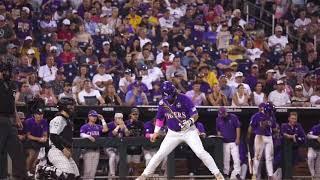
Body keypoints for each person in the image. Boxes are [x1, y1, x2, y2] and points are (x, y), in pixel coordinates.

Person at [136, 81, 224, 180]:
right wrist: (156, 132)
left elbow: (195, 114)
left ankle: (218, 174)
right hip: (172, 133)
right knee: (160, 154)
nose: (170, 98)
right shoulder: (162, 103)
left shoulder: (184, 98)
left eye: (172, 96)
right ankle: (144, 175)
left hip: (189, 131)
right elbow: (160, 118)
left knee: (200, 152)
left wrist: (190, 121)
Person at [36, 97, 80, 179]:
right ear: (64, 107)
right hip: (56, 150)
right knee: (67, 175)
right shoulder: (58, 119)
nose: (73, 108)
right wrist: (64, 149)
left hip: (64, 151)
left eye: (73, 106)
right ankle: (44, 169)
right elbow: (53, 136)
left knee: (76, 177)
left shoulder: (67, 120)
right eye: (70, 106)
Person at [0, 63, 28, 179]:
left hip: (9, 119)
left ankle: (20, 176)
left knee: (17, 148)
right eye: (3, 71)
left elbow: (12, 103)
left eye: (7, 71)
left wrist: (17, 118)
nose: (6, 73)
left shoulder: (11, 84)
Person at [247, 102, 277, 180]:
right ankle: (254, 175)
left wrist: (276, 131)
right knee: (257, 157)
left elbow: (274, 127)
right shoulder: (257, 116)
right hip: (260, 137)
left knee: (269, 157)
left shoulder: (272, 115)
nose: (271, 112)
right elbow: (251, 127)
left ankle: (270, 175)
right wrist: (248, 137)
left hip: (269, 137)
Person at [80, 110, 108, 180]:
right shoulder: (85, 126)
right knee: (87, 171)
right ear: (89, 116)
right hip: (88, 150)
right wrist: (88, 136)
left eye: (95, 116)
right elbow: (81, 134)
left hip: (96, 150)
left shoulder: (97, 126)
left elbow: (106, 129)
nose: (94, 117)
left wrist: (102, 119)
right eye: (93, 116)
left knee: (93, 172)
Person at [216, 107, 241, 179]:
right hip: (224, 142)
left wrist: (238, 138)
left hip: (233, 141)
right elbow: (218, 130)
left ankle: (237, 173)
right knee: (226, 159)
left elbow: (238, 127)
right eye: (220, 114)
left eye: (222, 114)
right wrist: (219, 138)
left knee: (236, 158)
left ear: (225, 112)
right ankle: (226, 173)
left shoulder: (233, 117)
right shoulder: (218, 119)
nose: (221, 115)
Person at [25, 108, 48, 177]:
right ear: (34, 115)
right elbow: (28, 136)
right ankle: (26, 171)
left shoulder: (44, 121)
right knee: (32, 154)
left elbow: (45, 133)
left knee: (37, 157)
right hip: (29, 141)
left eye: (41, 114)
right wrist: (39, 139)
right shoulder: (29, 121)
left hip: (39, 142)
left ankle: (33, 171)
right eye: (38, 114)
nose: (40, 116)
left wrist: (45, 138)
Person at [105, 113, 130, 178]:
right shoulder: (110, 124)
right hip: (109, 146)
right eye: (118, 118)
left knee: (116, 162)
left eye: (121, 118)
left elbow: (127, 134)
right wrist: (118, 126)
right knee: (112, 156)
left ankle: (111, 177)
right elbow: (113, 134)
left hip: (118, 148)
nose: (120, 120)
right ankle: (113, 175)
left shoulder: (123, 125)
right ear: (115, 119)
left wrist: (125, 126)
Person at [126, 108, 145, 176]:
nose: (135, 116)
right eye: (134, 114)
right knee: (127, 166)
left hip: (137, 148)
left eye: (137, 114)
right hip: (127, 148)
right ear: (130, 115)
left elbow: (143, 135)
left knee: (136, 167)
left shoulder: (141, 124)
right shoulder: (126, 123)